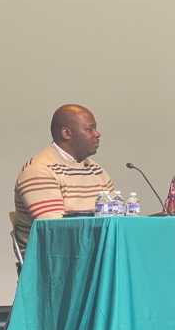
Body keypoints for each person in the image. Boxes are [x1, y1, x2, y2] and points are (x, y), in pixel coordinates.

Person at [14, 104, 114, 251]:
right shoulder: (40, 170)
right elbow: (56, 231)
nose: (97, 134)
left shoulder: (97, 170)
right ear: (66, 133)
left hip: (91, 253)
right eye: (89, 129)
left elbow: (113, 220)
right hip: (54, 260)